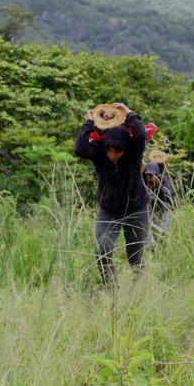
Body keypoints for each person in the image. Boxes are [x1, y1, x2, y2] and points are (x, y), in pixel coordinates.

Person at [73, 103, 149, 285]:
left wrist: (128, 113)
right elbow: (79, 149)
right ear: (105, 146)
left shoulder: (134, 153)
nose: (113, 155)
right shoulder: (99, 153)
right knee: (102, 250)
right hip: (108, 209)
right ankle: (112, 288)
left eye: (118, 151)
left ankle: (139, 288)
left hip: (136, 207)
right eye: (110, 150)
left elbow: (140, 134)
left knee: (135, 256)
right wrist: (89, 123)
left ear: (126, 149)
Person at [143, 154, 174, 237]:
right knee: (149, 229)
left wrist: (158, 185)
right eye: (147, 175)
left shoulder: (164, 180)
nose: (149, 177)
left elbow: (167, 199)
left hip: (164, 209)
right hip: (152, 210)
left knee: (163, 233)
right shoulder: (144, 180)